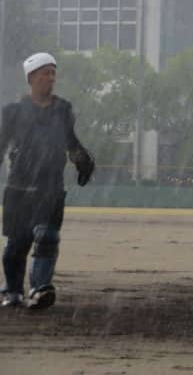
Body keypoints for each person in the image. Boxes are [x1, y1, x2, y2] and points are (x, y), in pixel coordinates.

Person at [0, 53, 93, 310]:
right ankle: (13, 291)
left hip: (50, 186)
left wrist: (82, 159)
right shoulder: (14, 111)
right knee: (16, 244)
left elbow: (70, 141)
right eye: (45, 73)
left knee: (48, 237)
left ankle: (40, 289)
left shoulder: (62, 110)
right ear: (31, 78)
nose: (50, 78)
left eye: (53, 73)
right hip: (19, 186)